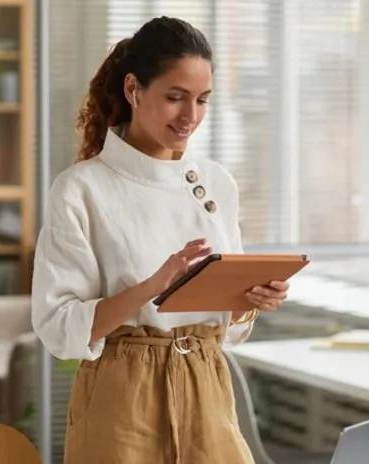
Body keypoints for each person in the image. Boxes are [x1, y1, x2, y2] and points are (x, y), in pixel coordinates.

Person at [31, 16, 290, 464]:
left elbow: (231, 328)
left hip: (207, 386)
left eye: (202, 100)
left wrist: (250, 300)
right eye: (175, 97)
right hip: (121, 396)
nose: (191, 116)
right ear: (133, 89)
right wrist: (153, 287)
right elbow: (58, 326)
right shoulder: (81, 189)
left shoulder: (217, 183)